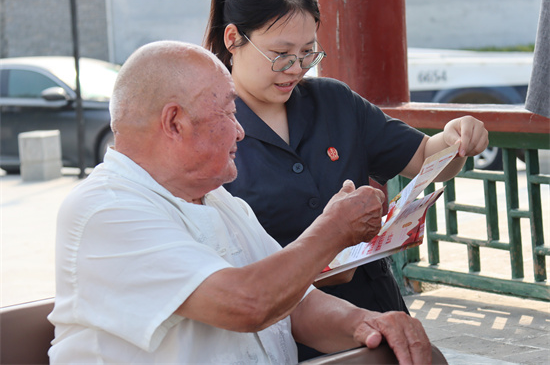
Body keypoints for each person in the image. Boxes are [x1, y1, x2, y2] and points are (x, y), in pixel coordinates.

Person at [47, 40, 433, 364]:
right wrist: (333, 229)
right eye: (229, 112)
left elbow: (296, 303)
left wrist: (367, 324)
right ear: (175, 123)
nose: (241, 130)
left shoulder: (217, 200)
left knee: (416, 350)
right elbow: (248, 304)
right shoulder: (106, 209)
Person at [205, 0, 488, 360]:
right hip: (283, 334)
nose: (296, 69)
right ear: (233, 38)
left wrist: (456, 139)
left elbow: (424, 157)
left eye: (308, 53)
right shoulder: (209, 130)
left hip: (378, 314)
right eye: (281, 55)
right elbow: (218, 270)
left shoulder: (334, 102)